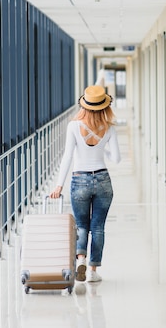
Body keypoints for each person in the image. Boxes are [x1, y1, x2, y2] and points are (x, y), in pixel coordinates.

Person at [49, 85, 121, 283]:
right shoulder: (110, 128)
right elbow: (116, 158)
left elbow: (67, 157)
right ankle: (92, 271)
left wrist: (58, 186)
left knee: (82, 225)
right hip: (103, 180)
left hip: (79, 179)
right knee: (98, 227)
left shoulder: (73, 126)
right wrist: (101, 149)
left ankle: (80, 258)